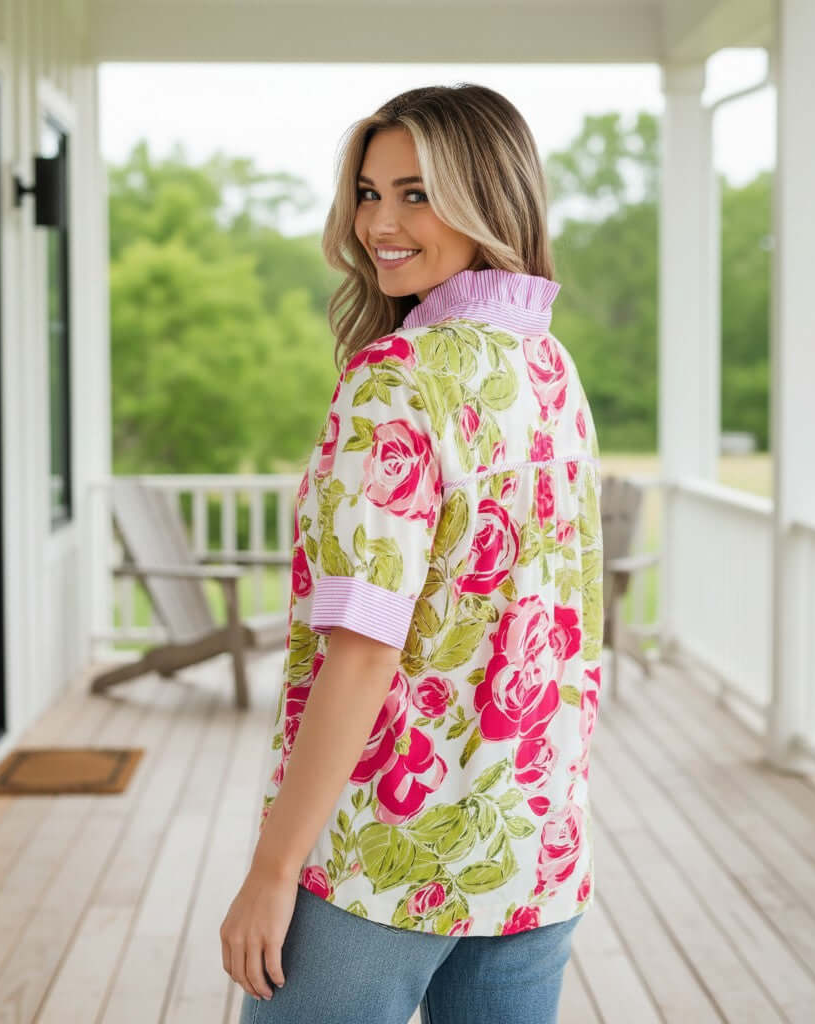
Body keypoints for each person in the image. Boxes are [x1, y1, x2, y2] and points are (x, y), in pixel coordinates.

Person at [220, 83, 603, 1024]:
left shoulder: (395, 379)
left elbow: (364, 646)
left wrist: (272, 873)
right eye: (367, 191)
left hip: (383, 864)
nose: (379, 223)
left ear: (489, 198)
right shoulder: (550, 369)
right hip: (532, 848)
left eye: (417, 194)